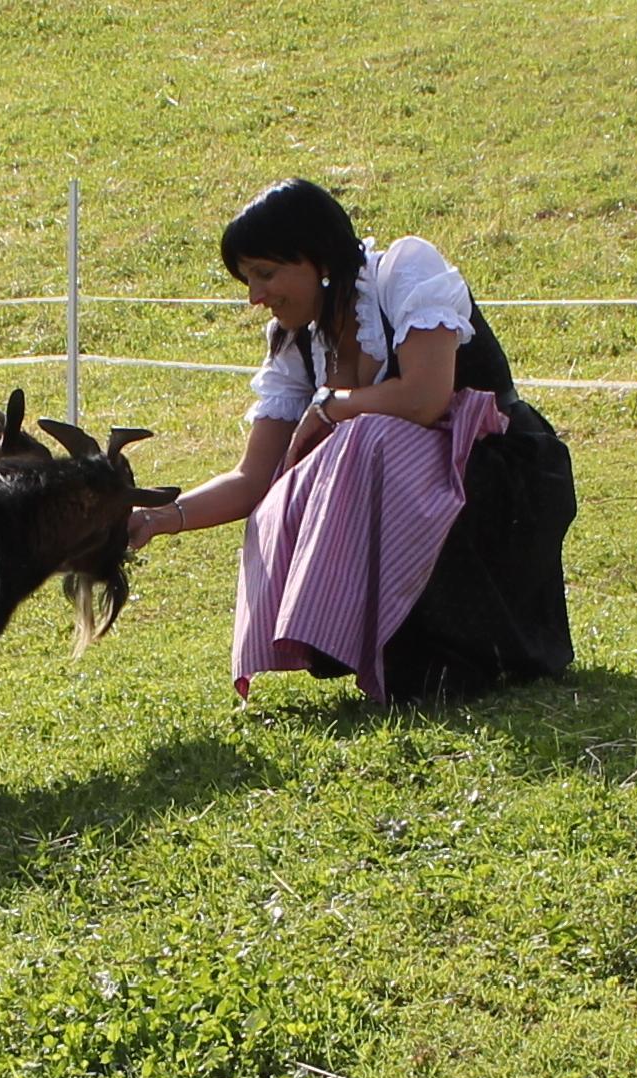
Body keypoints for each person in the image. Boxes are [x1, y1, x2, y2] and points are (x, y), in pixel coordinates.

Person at [130, 178, 576, 703]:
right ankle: (382, 652)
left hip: (496, 478)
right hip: (409, 495)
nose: (255, 297)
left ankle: (453, 653)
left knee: (368, 439)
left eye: (266, 274)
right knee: (289, 488)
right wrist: (158, 518)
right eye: (249, 280)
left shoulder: (406, 271)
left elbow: (426, 398)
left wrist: (332, 407)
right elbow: (254, 478)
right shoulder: (297, 343)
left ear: (318, 258)